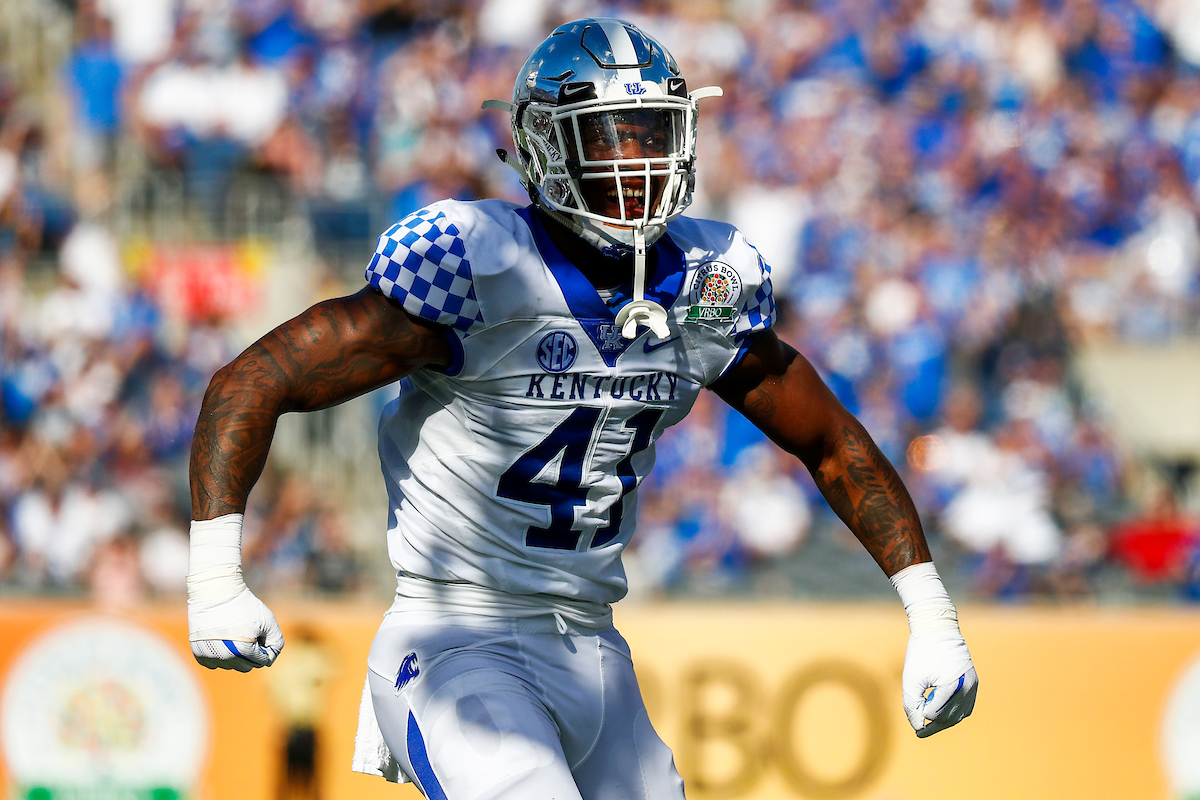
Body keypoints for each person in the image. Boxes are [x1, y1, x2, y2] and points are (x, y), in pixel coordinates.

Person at [186, 18, 978, 800]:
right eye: (607, 136)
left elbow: (831, 441)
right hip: (456, 639)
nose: (636, 160)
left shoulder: (707, 282)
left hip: (595, 650)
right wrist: (216, 576)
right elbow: (252, 381)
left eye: (651, 132)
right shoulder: (478, 261)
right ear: (542, 145)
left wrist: (931, 615)